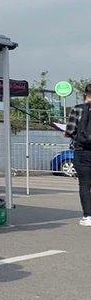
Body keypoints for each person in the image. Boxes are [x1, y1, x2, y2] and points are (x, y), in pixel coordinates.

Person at [64, 83, 91, 226]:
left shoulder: (78, 109)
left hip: (82, 151)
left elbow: (70, 130)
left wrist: (67, 132)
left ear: (85, 94)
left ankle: (88, 216)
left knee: (85, 184)